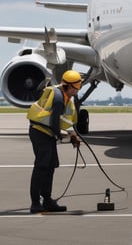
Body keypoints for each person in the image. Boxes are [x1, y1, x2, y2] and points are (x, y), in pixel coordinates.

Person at [27, 70, 82, 213]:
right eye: (77, 88)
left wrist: (72, 135)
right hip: (40, 132)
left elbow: (62, 120)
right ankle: (35, 202)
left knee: (51, 165)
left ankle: (47, 200)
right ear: (69, 87)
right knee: (41, 166)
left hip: (47, 132)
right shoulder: (58, 99)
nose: (77, 91)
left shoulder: (63, 95)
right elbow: (54, 123)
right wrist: (67, 137)